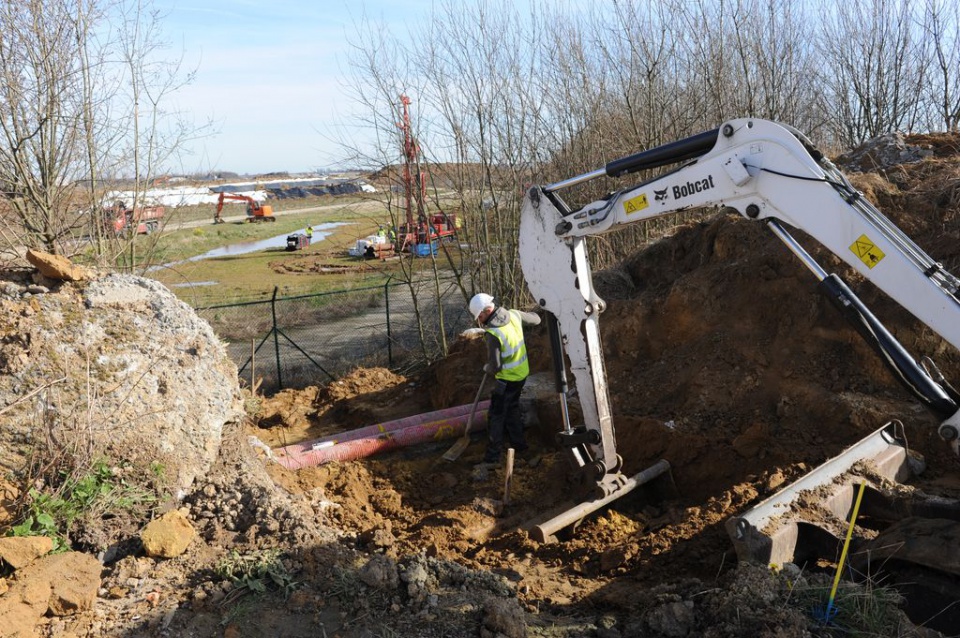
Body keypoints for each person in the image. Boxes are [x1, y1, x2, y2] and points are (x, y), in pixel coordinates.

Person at [468, 292, 541, 464]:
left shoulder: (493, 333)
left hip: (505, 380)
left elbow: (495, 366)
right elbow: (536, 319)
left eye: (479, 316)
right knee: (512, 408)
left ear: (486, 312)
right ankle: (520, 445)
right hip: (521, 375)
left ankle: (493, 456)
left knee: (496, 415)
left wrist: (487, 367)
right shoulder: (514, 315)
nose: (479, 320)